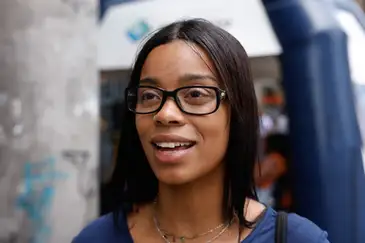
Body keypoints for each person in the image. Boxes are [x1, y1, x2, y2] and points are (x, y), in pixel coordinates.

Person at [72, 19, 329, 243]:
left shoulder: (298, 239)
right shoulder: (96, 239)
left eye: (195, 94)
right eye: (149, 95)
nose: (165, 114)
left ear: (237, 112)